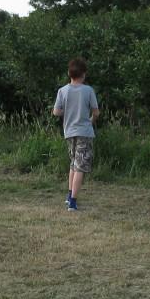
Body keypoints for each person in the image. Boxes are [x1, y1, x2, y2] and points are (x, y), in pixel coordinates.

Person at [52, 57, 99, 211]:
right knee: (80, 166)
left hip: (69, 131)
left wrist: (68, 111)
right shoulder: (88, 90)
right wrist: (90, 120)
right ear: (84, 74)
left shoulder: (62, 90)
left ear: (69, 73)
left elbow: (56, 112)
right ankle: (73, 202)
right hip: (84, 131)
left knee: (73, 163)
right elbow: (96, 112)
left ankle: (69, 195)